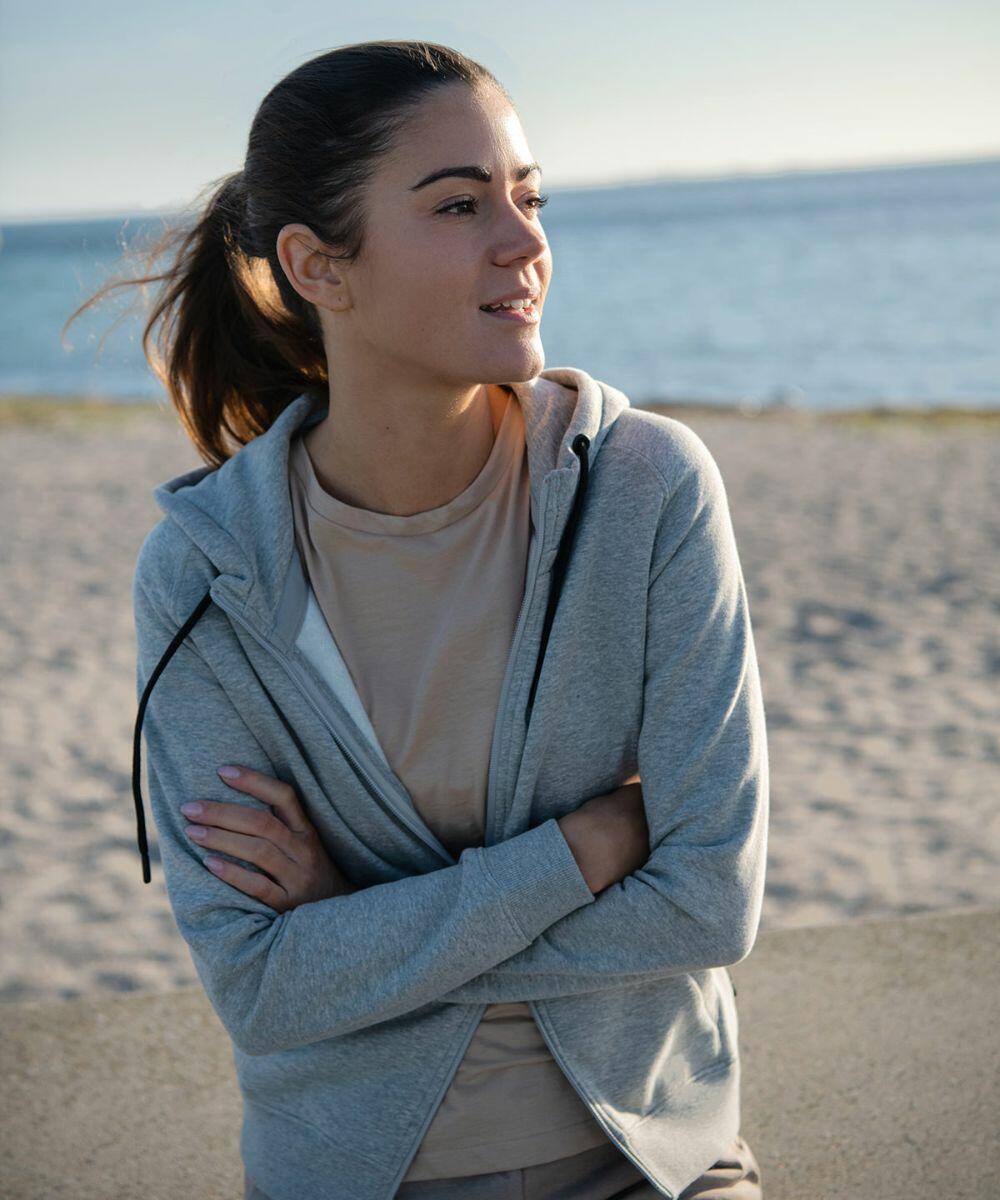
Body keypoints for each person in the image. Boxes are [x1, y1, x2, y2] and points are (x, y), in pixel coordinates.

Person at [72, 39, 768, 1200]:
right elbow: (261, 987)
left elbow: (705, 903)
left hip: (653, 1162)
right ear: (317, 266)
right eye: (458, 204)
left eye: (528, 196)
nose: (524, 242)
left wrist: (356, 928)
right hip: (354, 1175)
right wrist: (586, 848)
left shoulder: (644, 487)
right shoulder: (204, 576)